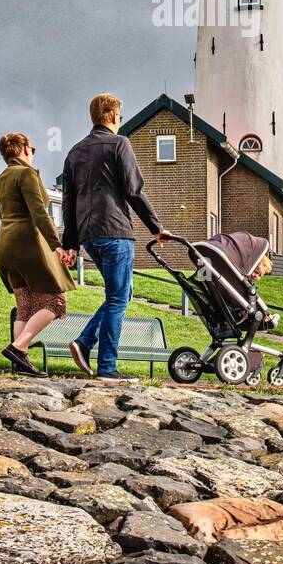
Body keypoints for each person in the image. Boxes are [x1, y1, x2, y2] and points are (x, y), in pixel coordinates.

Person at [62, 93, 166, 380]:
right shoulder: (120, 143)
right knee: (119, 298)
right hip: (115, 231)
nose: (120, 120)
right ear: (112, 116)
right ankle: (107, 365)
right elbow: (134, 190)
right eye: (119, 115)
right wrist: (156, 227)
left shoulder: (74, 151)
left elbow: (68, 202)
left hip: (88, 235)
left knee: (121, 293)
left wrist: (69, 243)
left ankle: (84, 343)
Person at [0, 132, 76, 377]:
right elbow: (39, 212)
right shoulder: (26, 173)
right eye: (33, 148)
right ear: (25, 150)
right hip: (26, 243)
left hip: (4, 245)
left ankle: (22, 363)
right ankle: (19, 348)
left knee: (25, 306)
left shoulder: (0, 179)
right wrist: (56, 244)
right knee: (56, 301)